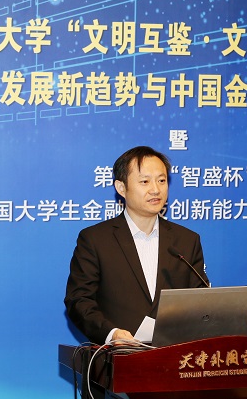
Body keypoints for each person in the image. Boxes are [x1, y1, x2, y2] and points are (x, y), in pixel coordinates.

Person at [64, 146, 209, 345]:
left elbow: (201, 300)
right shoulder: (95, 239)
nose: (155, 189)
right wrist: (111, 334)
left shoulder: (186, 240)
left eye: (161, 180)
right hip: (117, 356)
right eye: (144, 181)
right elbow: (79, 300)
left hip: (174, 356)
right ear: (121, 188)